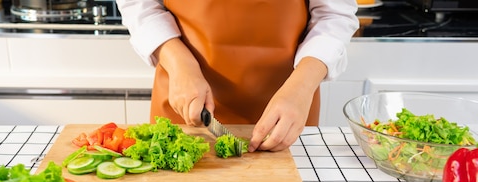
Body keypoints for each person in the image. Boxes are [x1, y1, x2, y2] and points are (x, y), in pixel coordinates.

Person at [116, 0, 359, 152]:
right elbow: (139, 5)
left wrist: (302, 87)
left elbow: (334, 16)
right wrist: (178, 62)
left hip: (289, 99)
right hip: (185, 93)